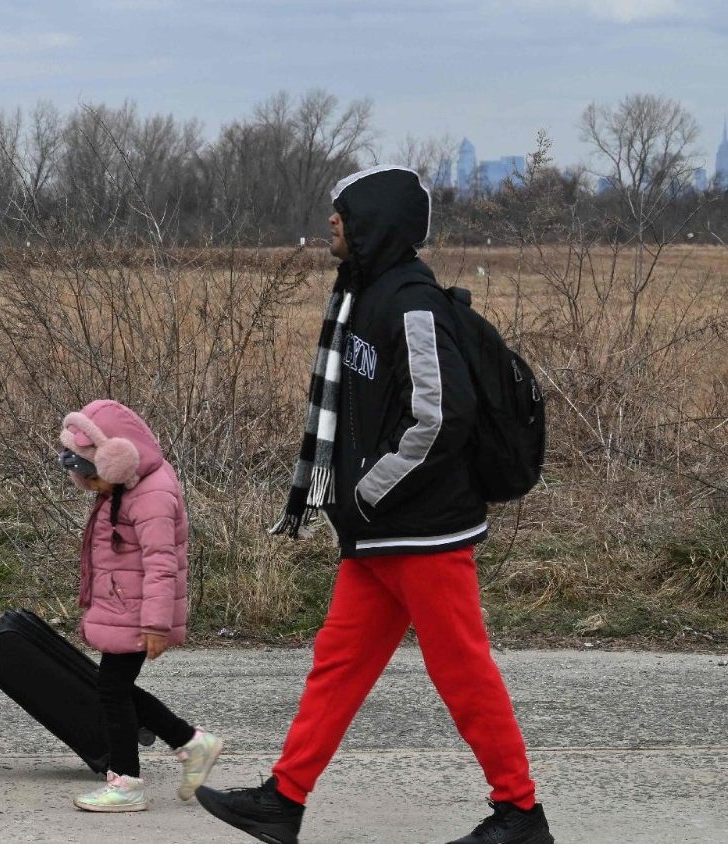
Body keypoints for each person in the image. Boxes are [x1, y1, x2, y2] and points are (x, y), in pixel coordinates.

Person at [195, 166, 553, 844]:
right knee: (337, 665)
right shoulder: (363, 294)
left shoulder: (411, 304)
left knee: (463, 674)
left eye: (346, 211)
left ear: (378, 222)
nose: (333, 221)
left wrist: (364, 493)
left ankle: (522, 817)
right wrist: (361, 506)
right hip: (381, 533)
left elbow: (439, 417)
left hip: (425, 532)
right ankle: (284, 801)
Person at [59, 400, 222, 813]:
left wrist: (155, 624)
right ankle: (190, 742)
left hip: (138, 612)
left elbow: (162, 563)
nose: (89, 486)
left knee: (112, 690)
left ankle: (127, 782)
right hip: (123, 604)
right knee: (114, 687)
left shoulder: (151, 495)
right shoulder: (131, 484)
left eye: (92, 477)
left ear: (116, 461)